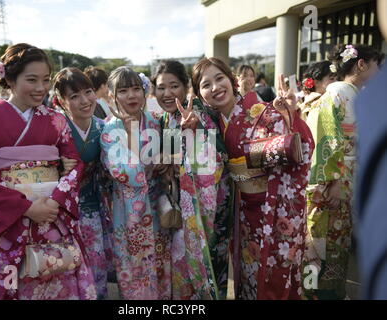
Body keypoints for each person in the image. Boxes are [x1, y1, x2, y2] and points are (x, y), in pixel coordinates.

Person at [0, 43, 97, 300]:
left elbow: (75, 164)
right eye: (31, 80)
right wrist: (25, 208)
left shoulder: (56, 119)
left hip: (53, 215)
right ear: (9, 79)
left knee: (60, 275)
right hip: (11, 220)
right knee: (16, 282)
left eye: (45, 80)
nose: (41, 88)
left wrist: (56, 200)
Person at [191, 57, 315, 300]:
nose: (215, 88)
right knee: (247, 274)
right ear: (199, 94)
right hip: (241, 212)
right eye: (206, 85)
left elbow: (300, 149)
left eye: (220, 79)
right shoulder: (211, 124)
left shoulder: (264, 112)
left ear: (231, 80)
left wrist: (291, 118)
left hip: (274, 207)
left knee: (273, 275)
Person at [304, 44, 383, 300]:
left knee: (338, 243)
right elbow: (328, 136)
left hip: (347, 177)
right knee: (323, 242)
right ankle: (315, 293)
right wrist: (333, 179)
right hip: (333, 181)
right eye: (375, 65)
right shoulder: (337, 91)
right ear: (361, 65)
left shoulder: (354, 93)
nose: (378, 71)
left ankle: (331, 292)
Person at [152, 60, 232, 299]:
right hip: (183, 208)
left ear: (186, 86)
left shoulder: (197, 112)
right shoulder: (167, 118)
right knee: (183, 268)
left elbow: (220, 157)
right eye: (160, 87)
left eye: (174, 86)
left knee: (206, 268)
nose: (167, 93)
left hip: (208, 208)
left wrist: (196, 134)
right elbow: (172, 159)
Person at [100, 66, 171, 299]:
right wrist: (130, 135)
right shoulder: (109, 129)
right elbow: (122, 172)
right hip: (128, 209)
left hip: (157, 205)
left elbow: (173, 156)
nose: (131, 96)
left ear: (144, 91)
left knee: (161, 264)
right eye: (123, 91)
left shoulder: (156, 121)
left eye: (136, 89)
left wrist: (166, 161)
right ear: (112, 95)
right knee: (134, 269)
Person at [52, 67, 114, 299]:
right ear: (61, 101)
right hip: (61, 210)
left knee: (96, 264)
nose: (85, 100)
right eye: (74, 96)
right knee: (66, 266)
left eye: (88, 91)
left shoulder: (103, 126)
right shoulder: (54, 129)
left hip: (94, 206)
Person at [356, 0, 387, 300]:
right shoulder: (342, 94)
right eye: (377, 63)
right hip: (335, 186)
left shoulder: (366, 98)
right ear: (362, 65)